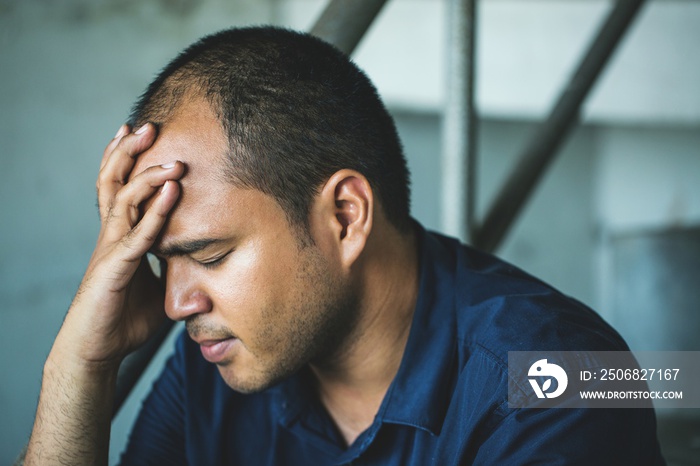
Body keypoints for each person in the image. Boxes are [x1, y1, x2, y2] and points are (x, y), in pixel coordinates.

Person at [25, 26, 665, 465]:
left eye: (212, 255)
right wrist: (81, 365)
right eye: (166, 263)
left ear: (345, 215)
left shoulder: (577, 373)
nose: (176, 304)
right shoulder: (218, 362)